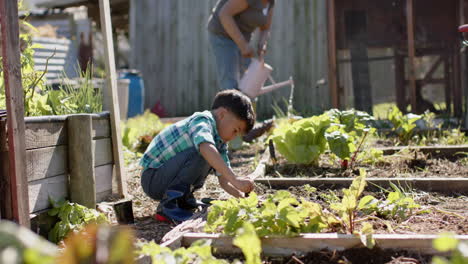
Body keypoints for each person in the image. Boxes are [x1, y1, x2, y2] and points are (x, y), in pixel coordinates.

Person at [140, 90, 256, 223]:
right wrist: (235, 179)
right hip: (153, 178)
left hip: (166, 177)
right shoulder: (202, 120)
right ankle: (168, 207)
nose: (233, 137)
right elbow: (205, 148)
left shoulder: (220, 142)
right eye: (235, 130)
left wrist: (242, 197)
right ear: (222, 114)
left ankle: (182, 201)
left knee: (211, 155)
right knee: (204, 152)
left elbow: (224, 180)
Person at [207, 0, 275, 91]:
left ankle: (246, 104)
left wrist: (262, 44)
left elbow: (265, 28)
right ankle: (229, 103)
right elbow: (224, 14)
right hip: (223, 35)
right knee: (230, 83)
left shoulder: (270, 2)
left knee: (249, 83)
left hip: (244, 39)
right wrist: (243, 45)